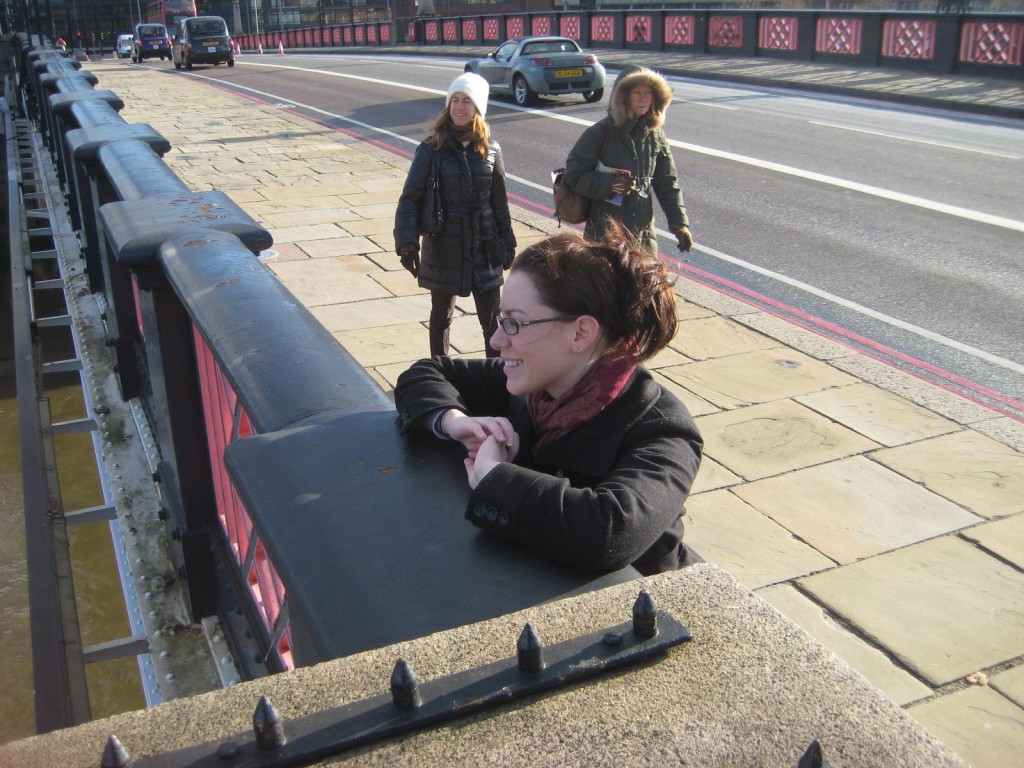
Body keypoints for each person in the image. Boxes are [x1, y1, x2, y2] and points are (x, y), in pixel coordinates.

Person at [395, 223, 703, 575]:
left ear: (580, 333)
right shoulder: (535, 385)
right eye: (501, 319)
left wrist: (494, 476)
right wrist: (455, 421)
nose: (496, 339)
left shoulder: (662, 428)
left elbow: (611, 532)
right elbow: (426, 373)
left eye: (514, 323)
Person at [394, 72, 517, 358]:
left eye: (467, 101)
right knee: (441, 316)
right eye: (455, 101)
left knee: (491, 320)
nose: (459, 108)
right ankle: (441, 372)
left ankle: (495, 376)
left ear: (478, 108)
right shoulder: (430, 149)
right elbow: (410, 199)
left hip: (483, 245)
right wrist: (407, 241)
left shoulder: (491, 149)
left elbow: (499, 202)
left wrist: (507, 240)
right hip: (443, 243)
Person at [563, 66, 694, 258]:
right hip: (605, 236)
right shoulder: (600, 132)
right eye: (637, 93)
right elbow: (574, 175)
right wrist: (609, 184)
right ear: (623, 97)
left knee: (642, 287)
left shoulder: (656, 136)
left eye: (648, 93)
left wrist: (679, 224)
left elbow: (667, 182)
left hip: (643, 236)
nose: (643, 98)